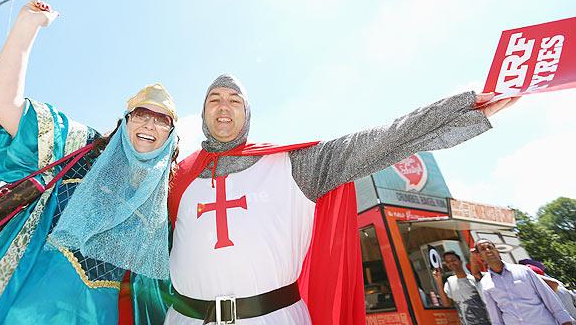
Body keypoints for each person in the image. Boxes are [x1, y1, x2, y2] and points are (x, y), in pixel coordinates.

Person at [162, 74, 518, 325]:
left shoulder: (293, 165)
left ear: (247, 112)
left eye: (234, 100)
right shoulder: (176, 177)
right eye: (214, 99)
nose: (224, 106)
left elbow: (385, 140)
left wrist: (468, 108)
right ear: (204, 112)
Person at [0, 0, 179, 325]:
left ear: (172, 136)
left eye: (161, 120)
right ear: (125, 120)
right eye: (142, 114)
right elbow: (1, 102)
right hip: (18, 309)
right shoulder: (79, 148)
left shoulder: (166, 202)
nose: (149, 125)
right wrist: (27, 26)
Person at [476, 239, 574, 325]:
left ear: (497, 252)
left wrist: (566, 322)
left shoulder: (524, 271)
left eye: (490, 247)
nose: (488, 250)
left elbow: (549, 299)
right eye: (483, 249)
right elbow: (495, 317)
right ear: (480, 257)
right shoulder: (485, 283)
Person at [433, 251, 491, 325]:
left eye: (453, 260)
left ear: (460, 261)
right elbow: (446, 304)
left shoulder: (474, 278)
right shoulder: (450, 282)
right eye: (448, 262)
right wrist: (439, 281)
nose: (451, 263)